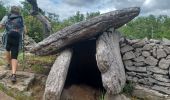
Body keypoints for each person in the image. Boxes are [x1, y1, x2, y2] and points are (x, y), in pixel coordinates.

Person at [0, 6, 26, 83]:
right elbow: (25, 30)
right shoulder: (21, 18)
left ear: (11, 10)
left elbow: (0, 26)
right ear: (18, 11)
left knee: (7, 49)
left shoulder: (7, 16)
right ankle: (13, 74)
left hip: (8, 37)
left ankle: (9, 64)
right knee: (14, 56)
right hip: (17, 38)